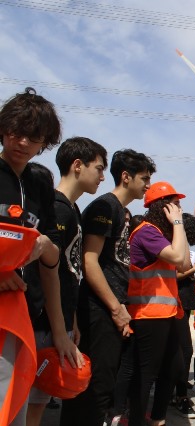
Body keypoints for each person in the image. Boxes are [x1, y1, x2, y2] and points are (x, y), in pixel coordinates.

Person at [61, 149, 156, 426]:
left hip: (112, 308)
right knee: (94, 385)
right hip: (98, 308)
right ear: (126, 177)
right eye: (144, 178)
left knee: (104, 381)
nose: (147, 185)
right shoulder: (105, 207)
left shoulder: (122, 211)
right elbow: (89, 262)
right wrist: (115, 309)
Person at [0, 88, 72, 426]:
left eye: (34, 137)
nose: (22, 142)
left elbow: (51, 262)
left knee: (15, 410)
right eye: (16, 131)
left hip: (25, 319)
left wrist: (59, 333)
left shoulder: (40, 182)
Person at [27, 137, 107, 426]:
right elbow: (47, 272)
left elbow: (69, 272)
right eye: (98, 168)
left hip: (58, 321)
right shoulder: (57, 208)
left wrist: (70, 320)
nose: (101, 176)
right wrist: (59, 330)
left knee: (37, 402)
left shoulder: (71, 210)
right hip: (42, 322)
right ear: (77, 165)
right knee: (26, 403)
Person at [126, 181, 189, 426]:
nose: (179, 209)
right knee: (145, 374)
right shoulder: (146, 231)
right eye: (175, 205)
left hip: (166, 313)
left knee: (174, 367)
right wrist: (178, 224)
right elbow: (177, 257)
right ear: (162, 207)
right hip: (148, 314)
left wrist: (177, 228)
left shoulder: (163, 234)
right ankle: (138, 420)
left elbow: (183, 263)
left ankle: (158, 418)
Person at [173, 212, 195, 419]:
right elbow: (173, 274)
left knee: (182, 351)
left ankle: (177, 392)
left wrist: (194, 273)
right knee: (184, 350)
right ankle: (180, 396)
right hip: (172, 303)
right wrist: (192, 270)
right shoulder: (173, 247)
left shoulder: (185, 250)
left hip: (183, 304)